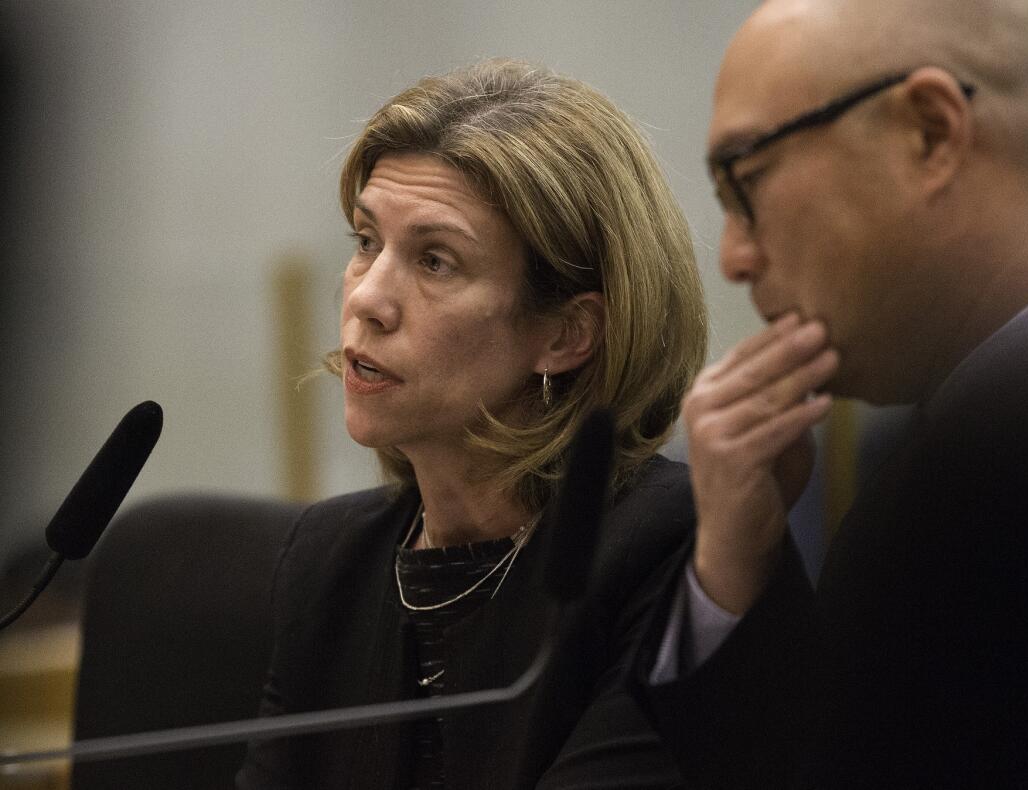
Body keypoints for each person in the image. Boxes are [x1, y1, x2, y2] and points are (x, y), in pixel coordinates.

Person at [632, 0, 1028, 787]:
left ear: (929, 132)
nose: (731, 257)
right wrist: (734, 565)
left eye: (746, 179)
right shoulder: (926, 463)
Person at [236, 59, 707, 789]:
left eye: (435, 261)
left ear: (565, 334)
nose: (368, 299)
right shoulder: (332, 562)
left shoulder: (665, 547)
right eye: (366, 241)